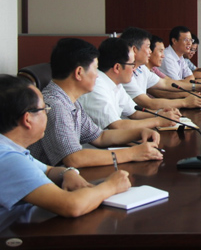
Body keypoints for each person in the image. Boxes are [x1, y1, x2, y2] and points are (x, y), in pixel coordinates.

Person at [0, 75, 131, 217]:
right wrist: (111, 186)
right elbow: (72, 205)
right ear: (27, 119)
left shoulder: (10, 148)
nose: (47, 114)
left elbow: (48, 170)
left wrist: (67, 173)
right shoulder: (8, 159)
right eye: (44, 109)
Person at [28, 38, 164, 168]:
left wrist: (139, 132)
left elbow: (100, 137)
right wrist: (133, 153)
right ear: (79, 72)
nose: (97, 75)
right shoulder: (55, 105)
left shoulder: (71, 101)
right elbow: (73, 158)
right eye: (95, 69)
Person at [79, 38, 181, 130]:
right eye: (132, 64)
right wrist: (158, 121)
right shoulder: (97, 86)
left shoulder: (116, 84)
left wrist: (160, 114)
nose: (134, 68)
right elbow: (117, 125)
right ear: (117, 67)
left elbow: (134, 113)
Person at [119, 27, 201, 110]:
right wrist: (185, 102)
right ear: (134, 49)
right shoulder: (125, 74)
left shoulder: (141, 68)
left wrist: (197, 86)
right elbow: (148, 103)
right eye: (148, 47)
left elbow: (165, 83)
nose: (150, 51)